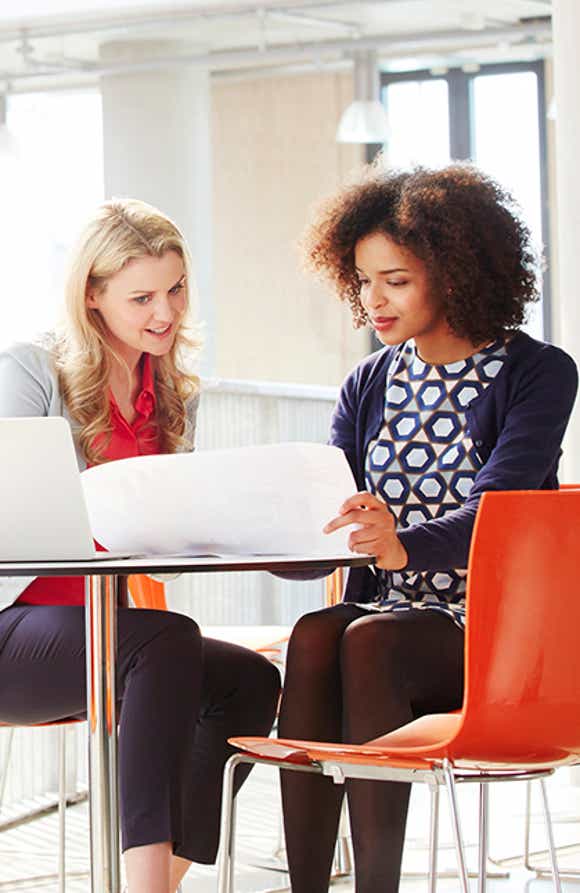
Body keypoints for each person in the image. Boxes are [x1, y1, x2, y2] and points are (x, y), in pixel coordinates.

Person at [278, 162, 578, 893]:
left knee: (371, 638)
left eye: (396, 280)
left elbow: (500, 508)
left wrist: (400, 541)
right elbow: (332, 509)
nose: (371, 299)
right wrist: (273, 530)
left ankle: (376, 887)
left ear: (454, 273)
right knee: (317, 633)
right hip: (393, 616)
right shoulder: (370, 381)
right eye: (362, 279)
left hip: (494, 635)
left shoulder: (536, 372)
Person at [0, 198, 280, 893]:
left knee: (250, 678)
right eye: (142, 297)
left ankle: (159, 876)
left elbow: (162, 536)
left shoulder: (175, 394)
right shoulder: (32, 368)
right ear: (92, 296)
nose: (166, 312)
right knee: (162, 641)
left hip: (102, 627)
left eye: (176, 289)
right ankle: (144, 884)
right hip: (13, 626)